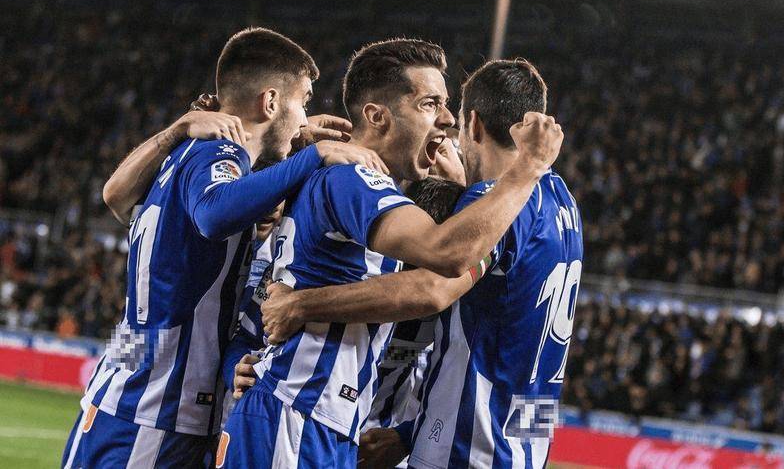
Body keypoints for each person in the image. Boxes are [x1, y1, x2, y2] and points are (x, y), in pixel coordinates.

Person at [218, 40, 563, 468]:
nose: (447, 119)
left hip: (321, 420)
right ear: (377, 116)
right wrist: (527, 167)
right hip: (295, 415)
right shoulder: (353, 180)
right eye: (429, 104)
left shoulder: (372, 194)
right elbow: (446, 254)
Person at [61, 27, 385, 469]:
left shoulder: (185, 153)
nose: (305, 118)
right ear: (270, 102)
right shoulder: (220, 154)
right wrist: (314, 156)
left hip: (133, 390)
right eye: (304, 102)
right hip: (153, 410)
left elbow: (115, 195)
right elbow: (213, 215)